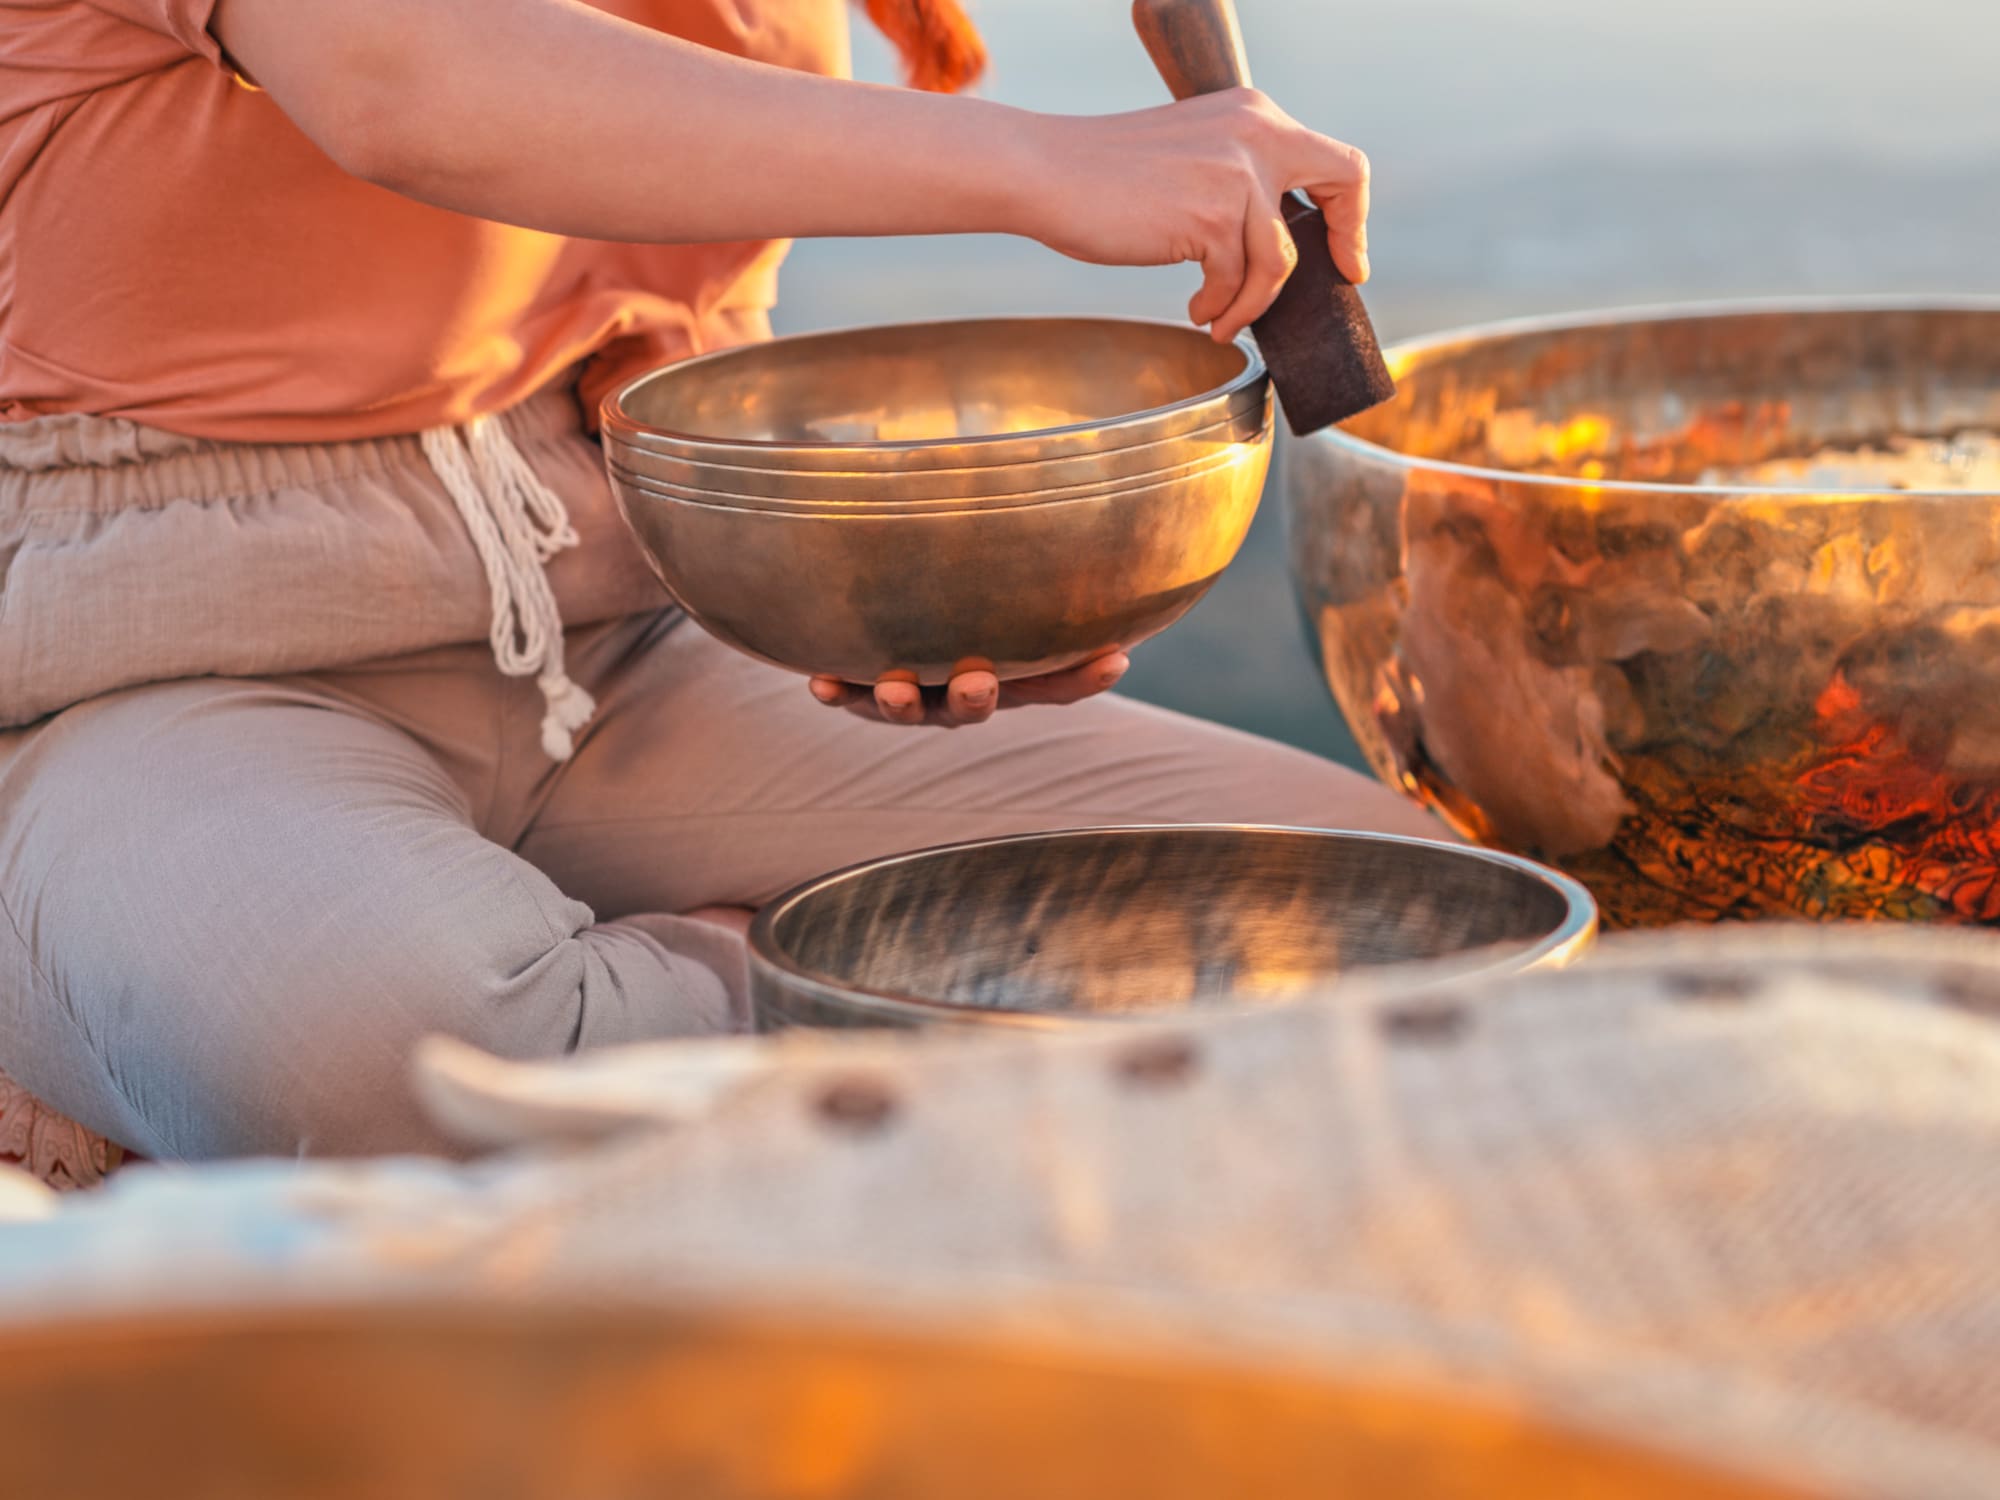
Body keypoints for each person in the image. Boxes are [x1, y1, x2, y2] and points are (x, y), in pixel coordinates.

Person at [0, 0, 1440, 1162]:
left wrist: (892, 595)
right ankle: (818, 982)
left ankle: (737, 997)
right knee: (416, 1071)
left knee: (1403, 925)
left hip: (631, 641)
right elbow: (399, 69)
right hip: (150, 683)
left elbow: (649, 306)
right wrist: (1038, 161)